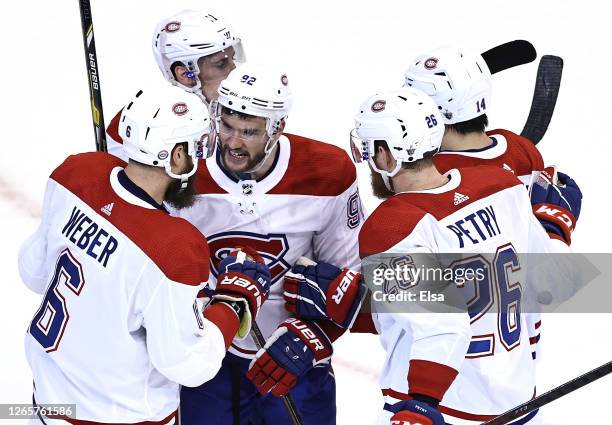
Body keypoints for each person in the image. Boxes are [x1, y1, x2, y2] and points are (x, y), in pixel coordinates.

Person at [284, 86, 581, 424]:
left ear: (385, 156)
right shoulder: (502, 186)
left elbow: (442, 324)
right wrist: (552, 228)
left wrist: (422, 402)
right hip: (522, 408)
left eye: (369, 150)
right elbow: (550, 281)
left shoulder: (395, 226)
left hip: (438, 412)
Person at [19, 85, 270, 424]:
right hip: (119, 417)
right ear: (176, 157)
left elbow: (33, 272)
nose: (199, 159)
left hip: (43, 406)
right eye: (195, 148)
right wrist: (233, 303)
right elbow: (188, 363)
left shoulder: (76, 174)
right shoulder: (174, 247)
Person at [174, 62, 364, 425]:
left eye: (248, 131)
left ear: (277, 129)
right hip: (208, 356)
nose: (232, 142)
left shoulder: (326, 172)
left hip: (295, 361)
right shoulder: (183, 168)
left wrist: (315, 335)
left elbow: (349, 282)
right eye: (226, 126)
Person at [403, 45, 582, 363]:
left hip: (451, 358)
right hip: (517, 351)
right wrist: (555, 223)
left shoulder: (429, 176)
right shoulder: (520, 149)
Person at [106, 9, 245, 161]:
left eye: (232, 58)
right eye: (221, 64)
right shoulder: (141, 117)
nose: (234, 70)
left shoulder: (247, 106)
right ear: (184, 74)